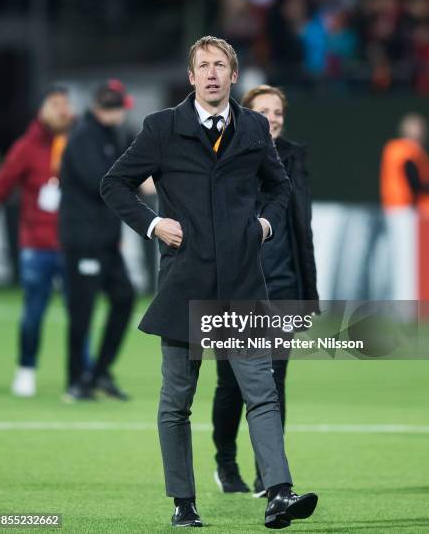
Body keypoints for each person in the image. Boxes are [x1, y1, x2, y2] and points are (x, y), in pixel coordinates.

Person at [100, 36, 318, 529]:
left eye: (222, 65)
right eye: (204, 66)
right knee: (177, 401)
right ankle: (183, 503)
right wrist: (154, 224)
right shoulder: (161, 127)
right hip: (185, 287)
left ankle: (279, 493)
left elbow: (280, 187)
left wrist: (265, 221)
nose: (213, 73)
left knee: (261, 392)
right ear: (192, 77)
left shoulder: (255, 127)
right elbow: (113, 183)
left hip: (242, 285)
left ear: (234, 76)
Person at [212, 84, 320, 497]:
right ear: (246, 116)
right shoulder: (225, 155)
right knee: (231, 384)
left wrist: (307, 293)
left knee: (275, 381)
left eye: (278, 112)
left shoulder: (293, 159)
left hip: (282, 286)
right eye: (263, 111)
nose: (272, 118)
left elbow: (301, 234)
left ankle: (268, 474)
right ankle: (226, 463)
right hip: (235, 288)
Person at [0, 85, 74, 397]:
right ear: (42, 109)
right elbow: (1, 187)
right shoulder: (26, 147)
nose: (61, 110)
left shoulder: (78, 142)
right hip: (36, 244)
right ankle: (26, 369)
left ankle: (82, 373)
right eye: (55, 104)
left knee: (79, 313)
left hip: (72, 243)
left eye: (65, 104)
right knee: (33, 313)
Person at [59, 80, 135, 402]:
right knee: (82, 310)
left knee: (124, 297)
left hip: (105, 240)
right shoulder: (82, 138)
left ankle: (100, 370)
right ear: (109, 108)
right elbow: (100, 183)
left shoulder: (111, 135)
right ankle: (77, 379)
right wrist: (134, 181)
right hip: (83, 240)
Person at [380, 113, 429, 213]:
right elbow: (412, 179)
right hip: (404, 207)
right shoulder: (404, 150)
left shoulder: (406, 150)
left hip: (399, 206)